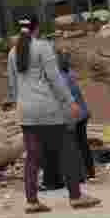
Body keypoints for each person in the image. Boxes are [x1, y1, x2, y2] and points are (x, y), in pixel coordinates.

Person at [7, 15, 100, 212]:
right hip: (48, 107)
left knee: (32, 157)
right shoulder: (43, 47)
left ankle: (32, 201)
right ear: (37, 28)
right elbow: (55, 78)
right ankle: (76, 197)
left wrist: (20, 106)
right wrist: (70, 101)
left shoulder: (13, 52)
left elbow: (13, 86)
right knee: (67, 150)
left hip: (26, 110)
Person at [42, 51, 93, 189]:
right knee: (81, 144)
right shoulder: (69, 73)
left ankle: (73, 176)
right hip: (81, 113)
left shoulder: (60, 78)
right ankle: (87, 173)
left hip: (72, 116)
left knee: (71, 146)